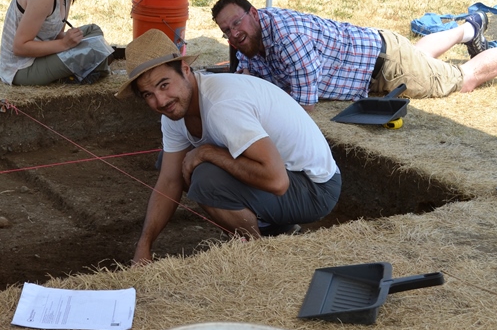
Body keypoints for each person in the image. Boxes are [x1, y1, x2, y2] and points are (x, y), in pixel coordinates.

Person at [116, 29, 341, 265]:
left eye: (164, 85)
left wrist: (207, 152)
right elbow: (169, 180)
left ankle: (256, 253)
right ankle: (275, 226)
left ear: (184, 70)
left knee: (206, 178)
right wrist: (144, 247)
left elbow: (277, 181)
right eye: (148, 95)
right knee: (171, 163)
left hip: (316, 188)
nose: (160, 101)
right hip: (287, 180)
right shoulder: (174, 112)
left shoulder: (221, 104)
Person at [212, 0, 497, 112]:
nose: (233, 33)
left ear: (254, 13)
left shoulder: (288, 39)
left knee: (461, 79)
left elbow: (304, 107)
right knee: (417, 58)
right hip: (379, 53)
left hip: (385, 67)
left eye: (237, 22)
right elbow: (252, 77)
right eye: (226, 30)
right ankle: (468, 29)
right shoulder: (251, 38)